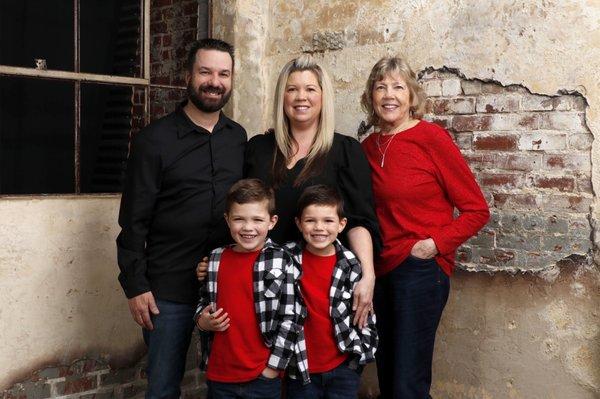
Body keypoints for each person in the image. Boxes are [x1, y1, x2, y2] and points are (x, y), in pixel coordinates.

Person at [116, 38, 246, 399]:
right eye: (205, 72)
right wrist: (136, 285)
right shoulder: (153, 140)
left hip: (224, 285)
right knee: (163, 387)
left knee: (227, 383)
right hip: (166, 288)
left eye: (223, 73)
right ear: (188, 76)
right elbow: (133, 221)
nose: (214, 81)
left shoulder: (238, 138)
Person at [360, 56, 490, 399]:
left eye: (398, 87)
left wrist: (432, 246)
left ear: (411, 96)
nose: (389, 95)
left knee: (407, 384)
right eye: (381, 86)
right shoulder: (366, 148)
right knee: (387, 376)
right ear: (371, 96)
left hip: (419, 270)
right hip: (380, 271)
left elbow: (477, 210)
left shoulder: (430, 138)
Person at [244, 55, 381, 327]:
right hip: (263, 281)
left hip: (323, 284)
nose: (300, 97)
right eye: (292, 89)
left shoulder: (345, 151)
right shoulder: (258, 148)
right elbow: (241, 211)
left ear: (323, 96)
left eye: (310, 89)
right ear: (282, 96)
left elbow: (359, 221)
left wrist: (368, 276)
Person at [195, 178, 303, 399]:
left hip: (262, 377)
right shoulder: (216, 258)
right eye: (239, 219)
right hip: (220, 374)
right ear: (227, 220)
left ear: (272, 221)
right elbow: (203, 300)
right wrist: (201, 320)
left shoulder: (282, 260)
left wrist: (273, 367)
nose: (248, 227)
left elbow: (292, 316)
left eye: (257, 219)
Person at [284, 185, 377, 399]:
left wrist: (359, 356)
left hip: (343, 368)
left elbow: (365, 314)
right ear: (298, 223)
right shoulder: (284, 259)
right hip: (300, 367)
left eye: (328, 221)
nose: (319, 228)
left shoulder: (352, 264)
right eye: (310, 221)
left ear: (341, 224)